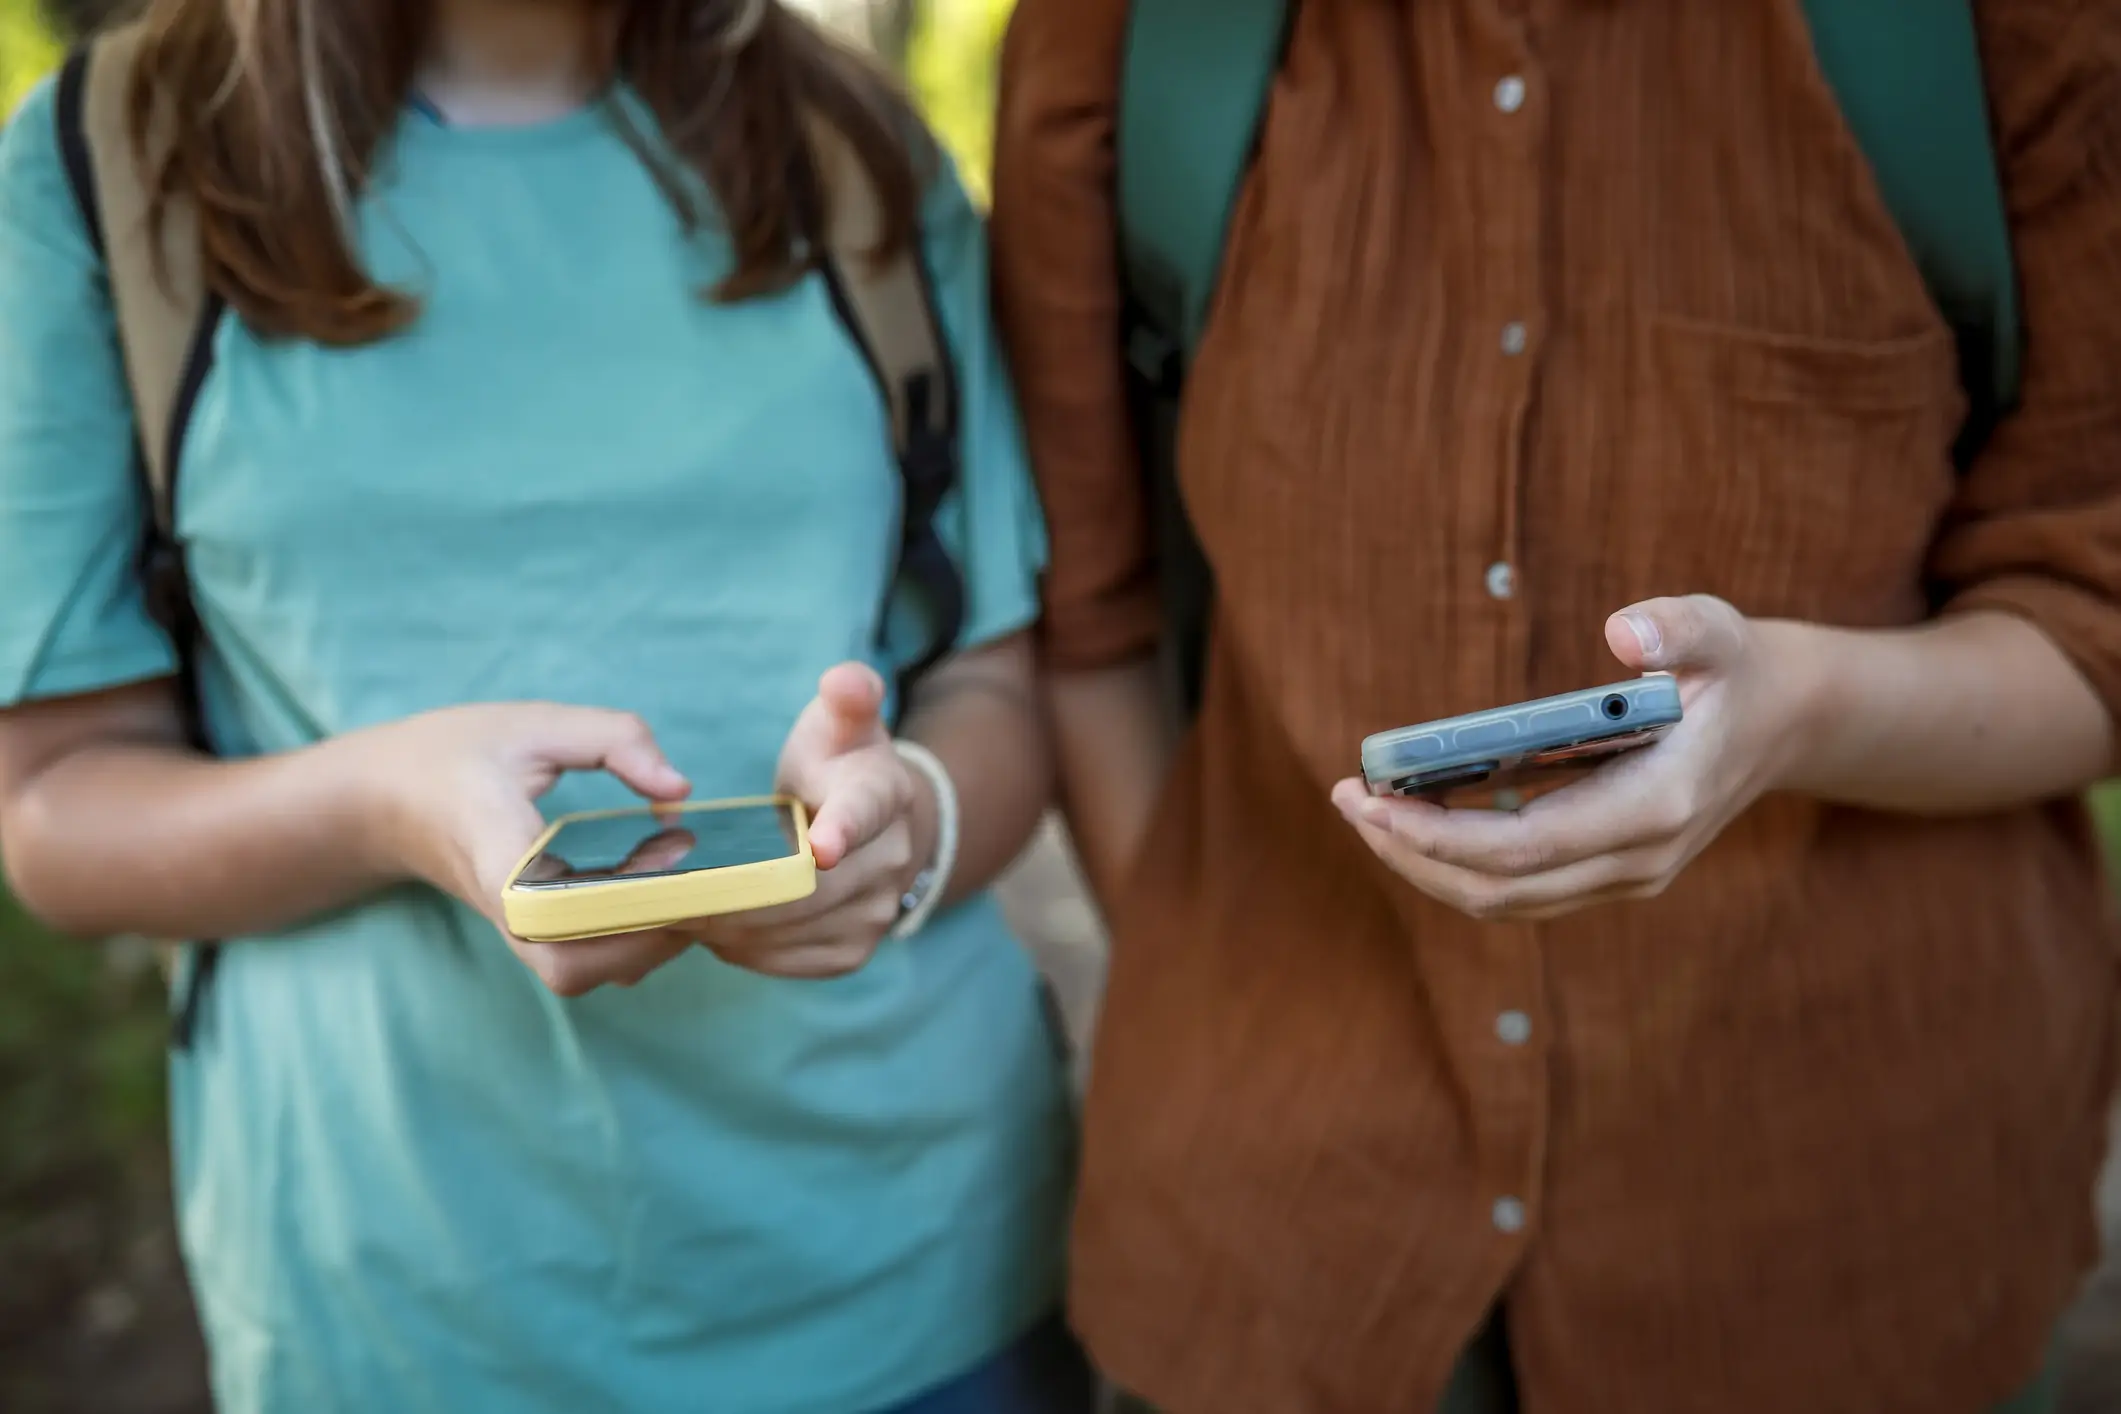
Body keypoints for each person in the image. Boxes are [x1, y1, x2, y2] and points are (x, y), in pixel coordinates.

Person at [990, 2, 2121, 1412]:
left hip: (1847, 1240)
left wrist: (1801, 709)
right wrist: (1215, 990)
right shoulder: (1131, 36)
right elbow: (1087, 620)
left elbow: (2093, 615)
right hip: (1271, 1241)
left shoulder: (2001, 36)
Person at [0, 0, 1086, 1409]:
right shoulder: (104, 167)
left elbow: (998, 684)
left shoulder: (857, 151)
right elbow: (52, 803)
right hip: (394, 1317)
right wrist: (389, 803)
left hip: (922, 1289)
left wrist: (907, 827)